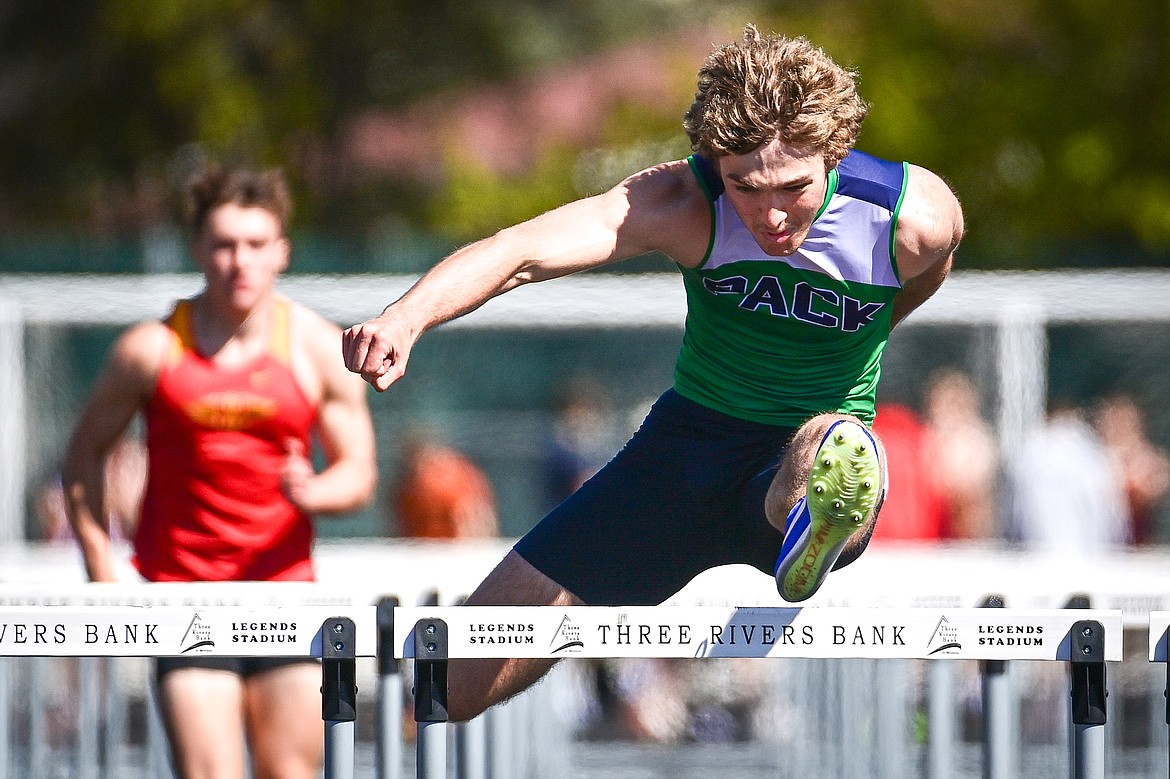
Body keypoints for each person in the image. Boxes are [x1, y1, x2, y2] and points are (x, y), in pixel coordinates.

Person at [344, 25, 963, 722]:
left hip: (805, 442)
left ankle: (819, 512)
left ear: (835, 153)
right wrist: (406, 317)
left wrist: (868, 333)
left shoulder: (910, 218)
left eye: (794, 187)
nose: (771, 213)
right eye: (745, 188)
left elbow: (925, 270)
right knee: (446, 680)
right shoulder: (679, 202)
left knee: (822, 445)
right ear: (713, 164)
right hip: (682, 455)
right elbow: (519, 251)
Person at [62, 166, 378, 779]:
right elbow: (82, 456)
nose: (240, 262)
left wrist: (316, 491)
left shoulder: (315, 347)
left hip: (285, 593)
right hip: (185, 599)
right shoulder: (149, 350)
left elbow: (359, 471)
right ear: (197, 250)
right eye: (224, 244)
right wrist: (101, 566)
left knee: (289, 772)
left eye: (256, 245)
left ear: (281, 252)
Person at [390, 426, 498, 539]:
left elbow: (475, 515)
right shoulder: (406, 488)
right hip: (422, 549)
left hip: (451, 549)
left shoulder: (454, 479)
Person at [1093, 392, 1170, 545]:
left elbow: (1144, 490)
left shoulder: (1146, 458)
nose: (1117, 427)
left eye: (1123, 421)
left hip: (1136, 548)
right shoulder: (1094, 459)